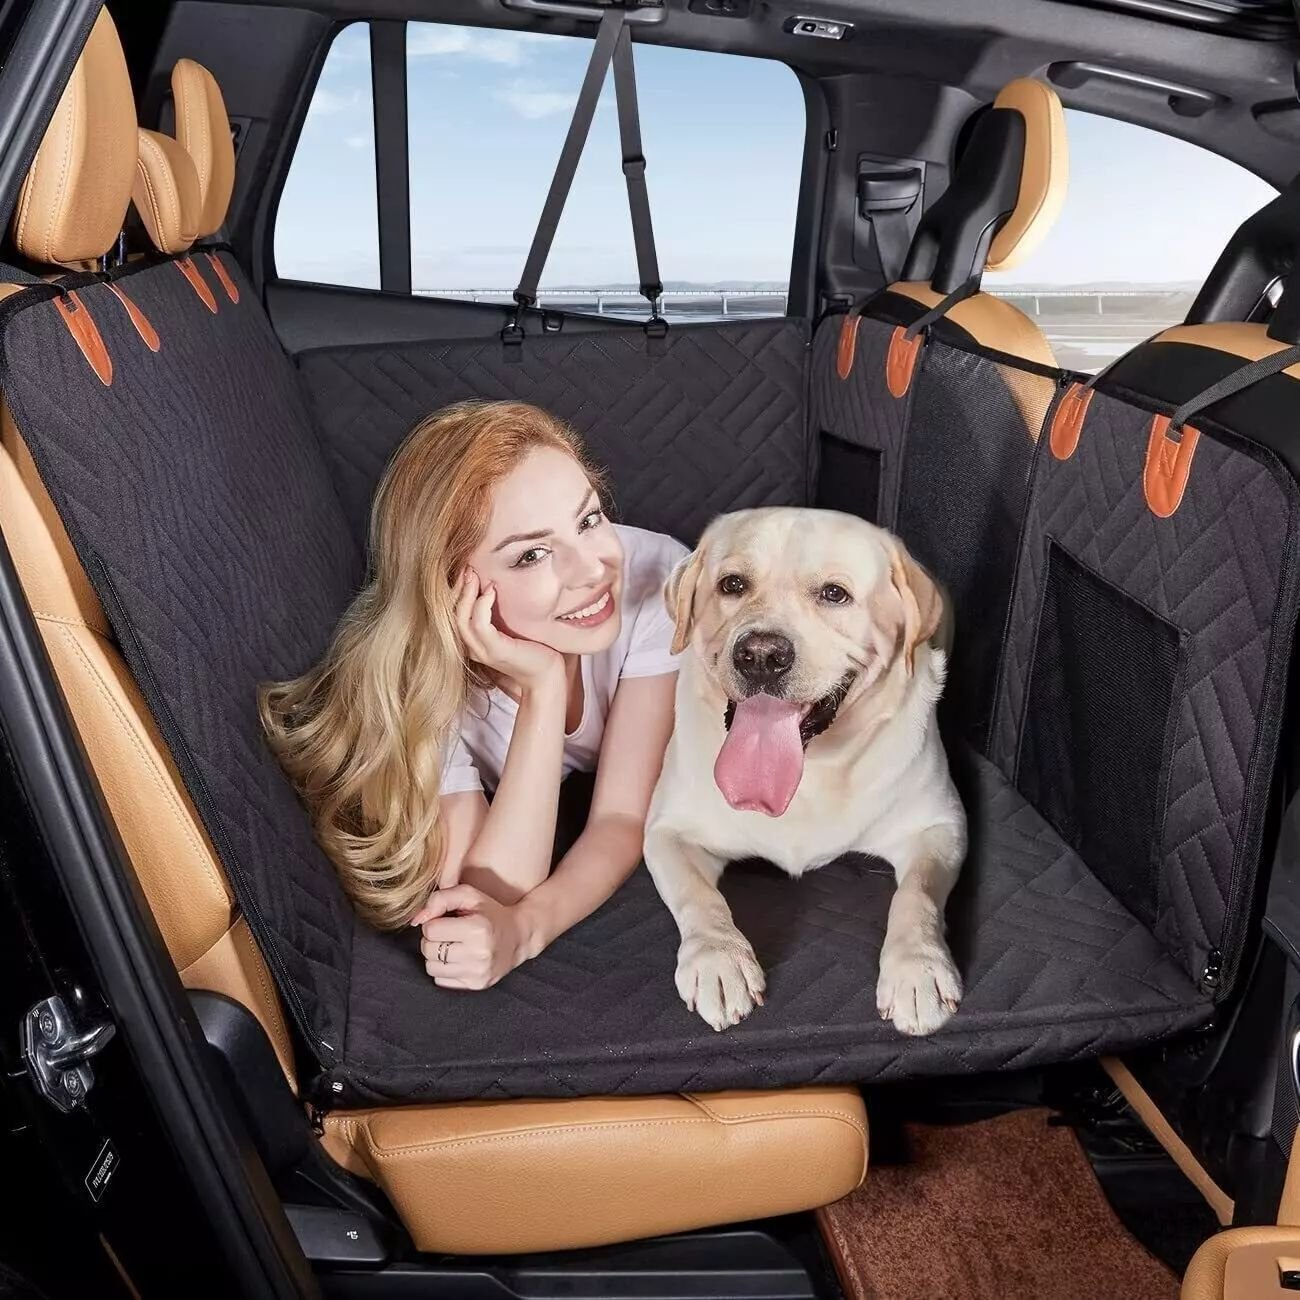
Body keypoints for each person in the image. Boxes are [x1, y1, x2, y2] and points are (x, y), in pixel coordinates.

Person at [260, 400, 685, 990]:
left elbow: (620, 817)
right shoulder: (421, 678)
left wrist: (527, 931)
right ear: (451, 586)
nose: (592, 570)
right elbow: (489, 893)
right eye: (532, 554)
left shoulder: (657, 581)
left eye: (588, 519)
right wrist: (541, 688)